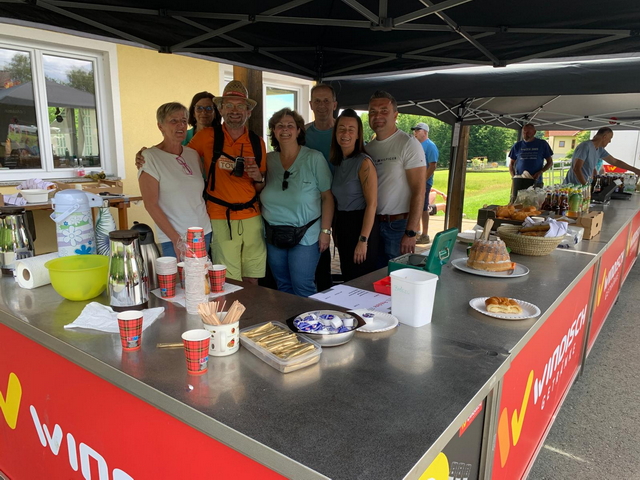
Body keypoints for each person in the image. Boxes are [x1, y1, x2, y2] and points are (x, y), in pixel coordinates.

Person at [136, 80, 267, 283]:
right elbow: (169, 154)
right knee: (222, 279)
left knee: (251, 275)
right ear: (221, 109)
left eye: (241, 106)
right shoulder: (204, 137)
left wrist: (258, 176)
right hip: (218, 217)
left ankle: (248, 313)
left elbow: (260, 185)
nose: (235, 111)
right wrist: (145, 154)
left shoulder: (257, 143)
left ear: (248, 111)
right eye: (229, 105)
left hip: (240, 218)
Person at [261, 108, 334, 297]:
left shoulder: (314, 158)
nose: (285, 130)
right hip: (274, 233)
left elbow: (327, 197)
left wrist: (325, 232)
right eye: (280, 126)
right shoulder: (268, 160)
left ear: (299, 130)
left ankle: (309, 325)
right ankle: (291, 324)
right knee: (283, 286)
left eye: (290, 126)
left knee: (302, 285)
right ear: (274, 131)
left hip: (306, 234)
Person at [138, 102, 211, 258]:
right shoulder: (150, 157)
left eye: (184, 121)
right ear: (160, 126)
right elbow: (150, 204)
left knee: (202, 280)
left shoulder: (192, 154)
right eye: (174, 121)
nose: (181, 125)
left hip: (204, 232)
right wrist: (176, 239)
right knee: (181, 282)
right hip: (176, 237)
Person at [365, 91, 426, 267]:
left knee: (398, 279)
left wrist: (411, 232)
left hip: (399, 226)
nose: (378, 116)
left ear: (395, 115)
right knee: (375, 276)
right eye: (373, 112)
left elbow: (419, 190)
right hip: (374, 224)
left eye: (384, 110)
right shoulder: (368, 148)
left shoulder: (408, 143)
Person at [330, 109, 379, 282]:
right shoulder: (338, 162)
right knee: (348, 278)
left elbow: (372, 204)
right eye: (341, 128)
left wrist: (363, 240)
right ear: (335, 133)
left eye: (351, 129)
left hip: (361, 225)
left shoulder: (364, 162)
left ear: (358, 134)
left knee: (362, 281)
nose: (346, 133)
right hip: (343, 226)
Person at [305, 83, 338, 291]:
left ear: (334, 104)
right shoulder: (303, 133)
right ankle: (323, 292)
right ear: (310, 104)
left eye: (326, 101)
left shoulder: (343, 131)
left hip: (344, 201)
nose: (322, 105)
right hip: (315, 203)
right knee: (320, 249)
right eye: (317, 101)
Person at [565, 127, 640, 185]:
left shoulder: (599, 149)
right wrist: (585, 185)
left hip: (583, 186)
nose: (610, 141)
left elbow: (615, 161)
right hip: (573, 187)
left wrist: (635, 170)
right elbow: (576, 168)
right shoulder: (585, 146)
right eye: (610, 138)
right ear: (604, 137)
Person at [411, 122, 438, 245]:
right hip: (415, 181)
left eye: (418, 130)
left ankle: (425, 234)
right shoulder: (416, 145)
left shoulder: (430, 146)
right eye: (415, 130)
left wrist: (423, 180)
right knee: (416, 206)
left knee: (423, 207)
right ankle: (417, 231)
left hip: (424, 183)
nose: (415, 132)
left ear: (425, 132)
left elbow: (433, 165)